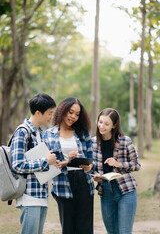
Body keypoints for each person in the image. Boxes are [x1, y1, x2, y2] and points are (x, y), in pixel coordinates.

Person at [44, 97, 95, 234]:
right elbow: (46, 164)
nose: (73, 117)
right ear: (63, 110)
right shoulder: (48, 135)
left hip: (84, 182)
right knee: (68, 228)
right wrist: (66, 162)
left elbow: (92, 161)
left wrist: (88, 166)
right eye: (71, 112)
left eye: (77, 114)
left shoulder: (83, 134)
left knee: (85, 228)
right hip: (62, 183)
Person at [11, 93, 57, 234]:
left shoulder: (41, 133)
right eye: (49, 113)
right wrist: (45, 161)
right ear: (38, 113)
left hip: (41, 195)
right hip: (29, 196)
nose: (51, 117)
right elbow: (17, 165)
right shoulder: (22, 132)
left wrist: (53, 163)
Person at [92, 108, 141, 234]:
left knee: (124, 231)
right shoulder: (93, 143)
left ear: (114, 125)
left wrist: (119, 164)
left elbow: (136, 165)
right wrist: (95, 175)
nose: (101, 126)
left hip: (126, 191)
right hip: (106, 192)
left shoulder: (125, 141)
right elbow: (92, 167)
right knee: (112, 231)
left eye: (106, 124)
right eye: (100, 122)